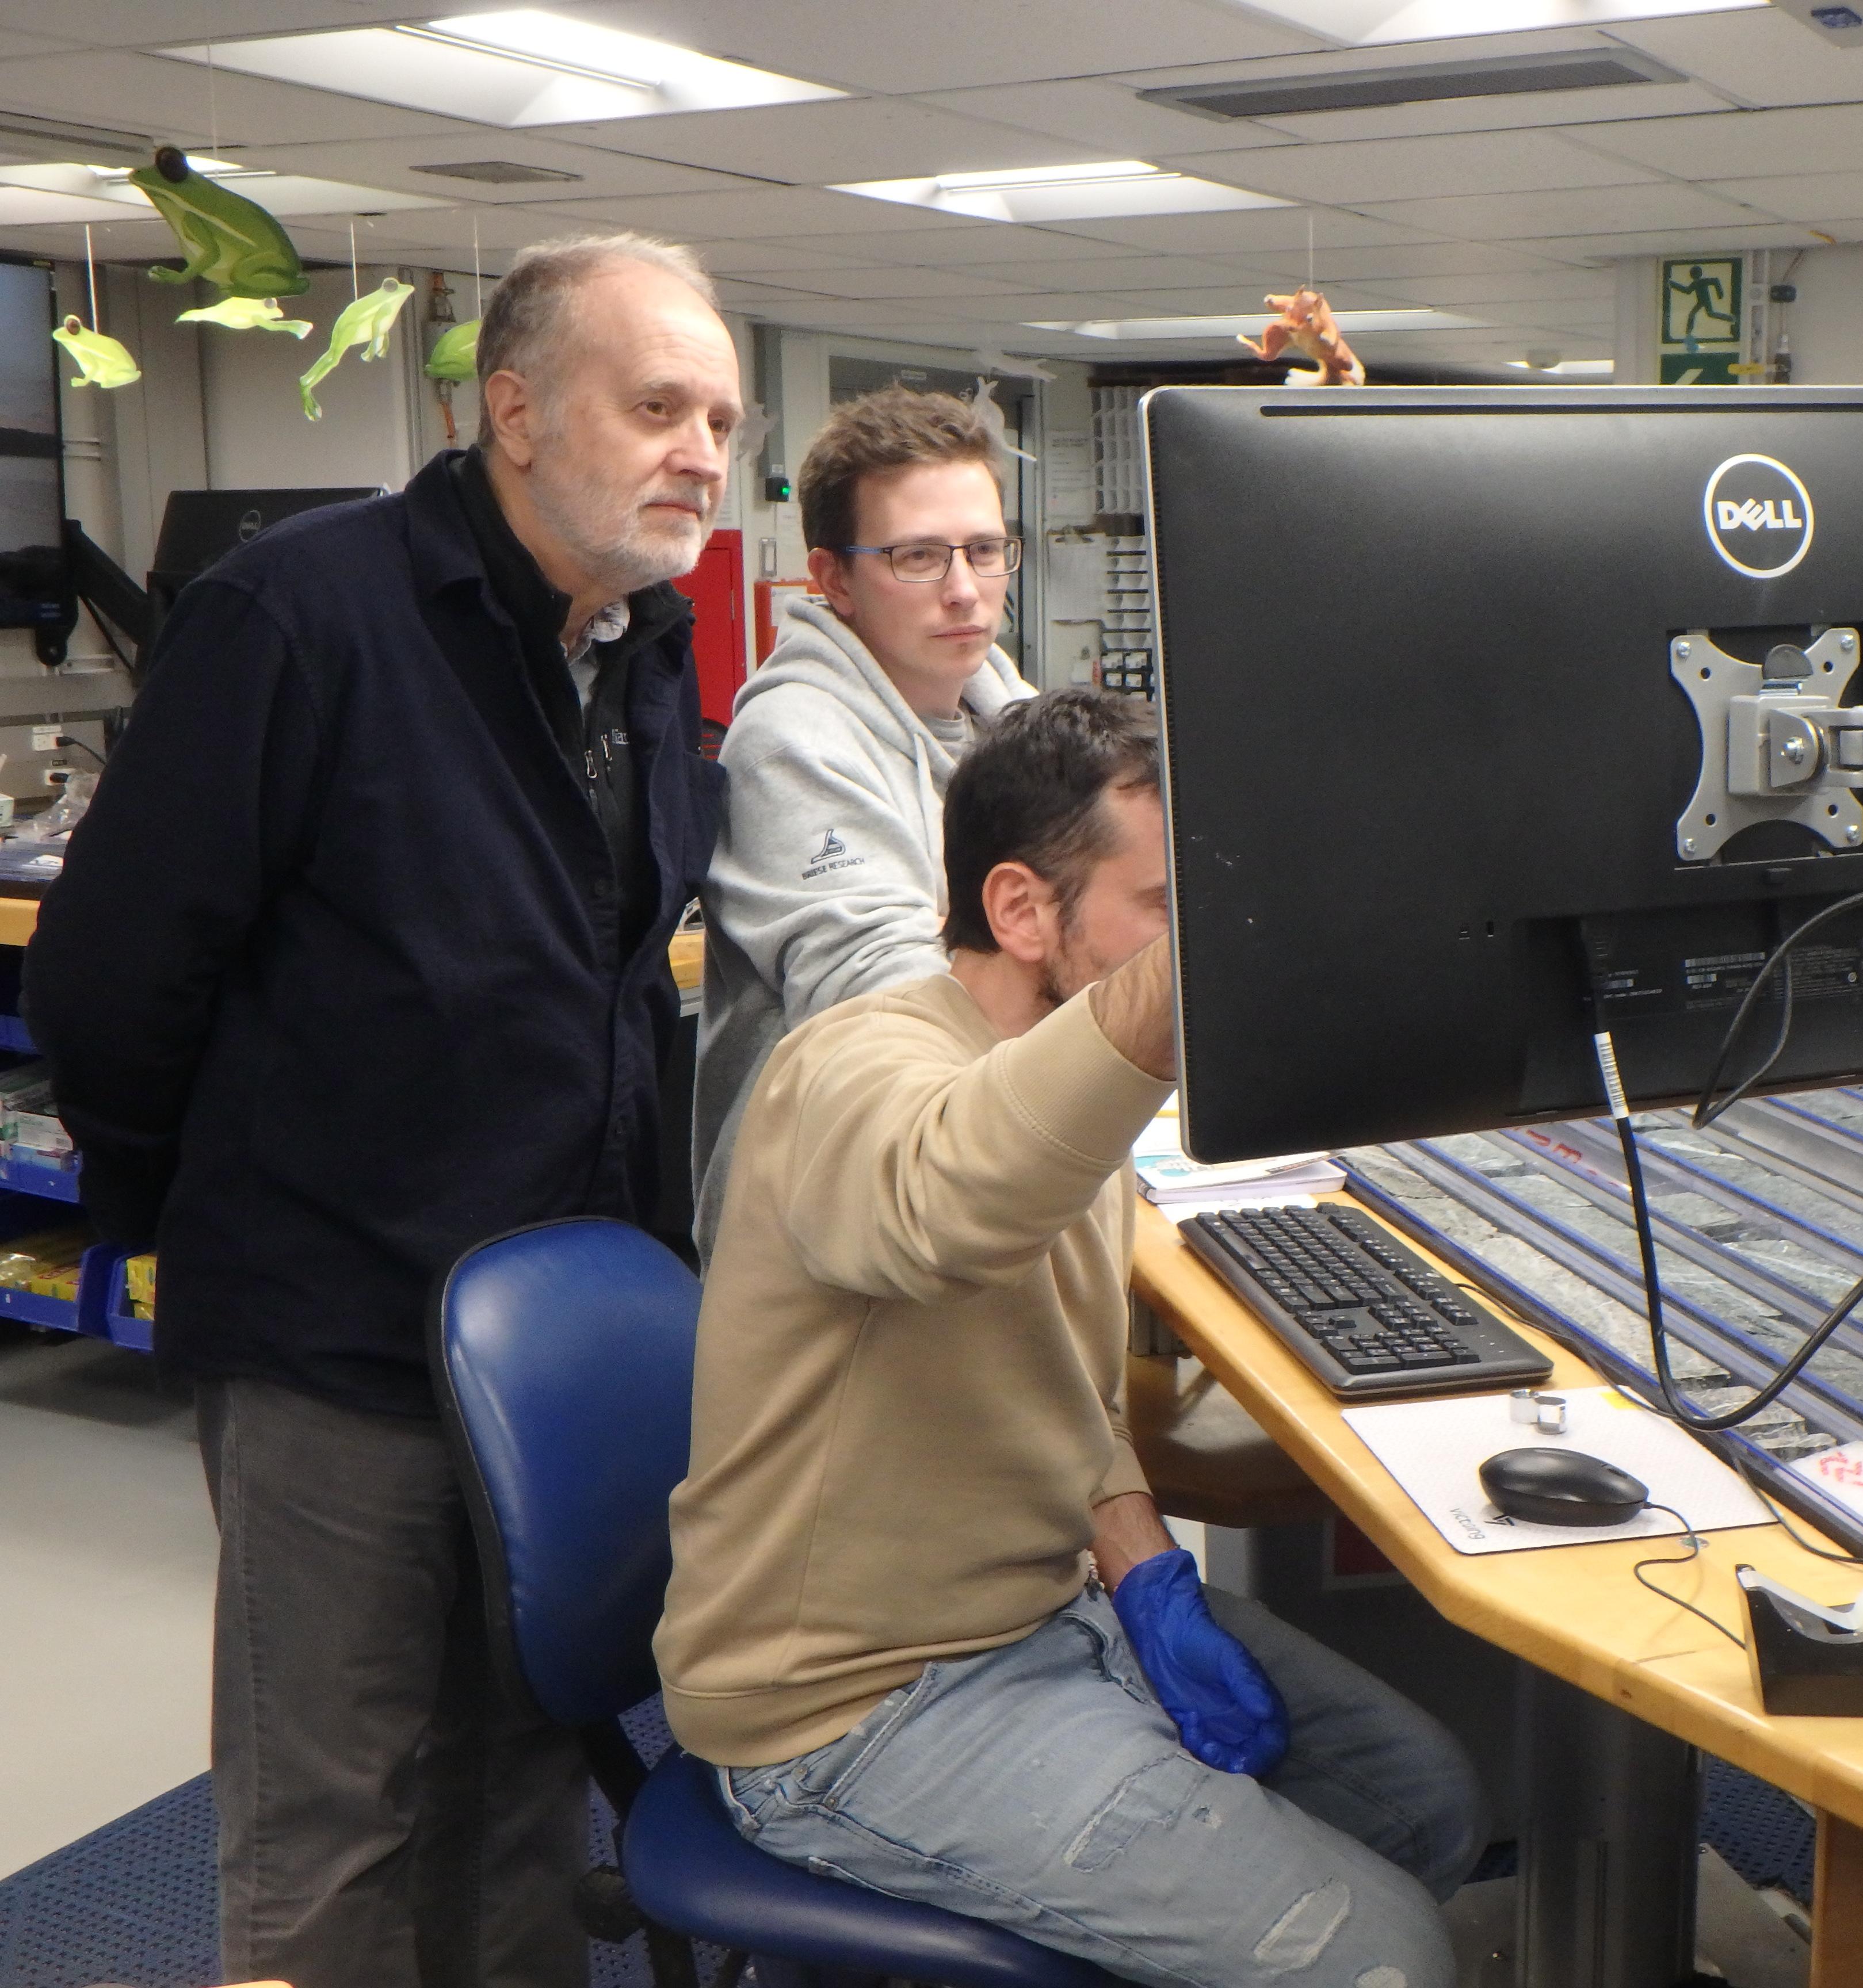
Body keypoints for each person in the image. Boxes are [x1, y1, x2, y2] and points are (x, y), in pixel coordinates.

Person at [25, 233, 739, 1987]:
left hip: (550, 1348)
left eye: (722, 422)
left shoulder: (643, 646)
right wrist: (192, 1224)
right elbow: (109, 981)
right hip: (336, 1338)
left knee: (520, 1792)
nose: (704, 455)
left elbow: (614, 977)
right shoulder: (303, 616)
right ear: (517, 409)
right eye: (660, 408)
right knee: (332, 1830)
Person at [657, 688, 1486, 1987]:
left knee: (1415, 1798)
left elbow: (1064, 1387)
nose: (1196, 946)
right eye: (1166, 906)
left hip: (1046, 1614)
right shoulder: (850, 1068)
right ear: (1020, 910)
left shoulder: (1068, 1086)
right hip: (853, 1706)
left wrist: (1147, 1571)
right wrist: (1195, 972)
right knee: (1388, 1955)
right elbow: (938, 1205)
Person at [691, 386, 1030, 1255]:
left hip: (987, 1158)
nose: (965, 590)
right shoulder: (791, 738)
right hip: (828, 1230)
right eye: (918, 557)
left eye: (985, 550)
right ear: (833, 577)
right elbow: (888, 1000)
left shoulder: (1012, 716)